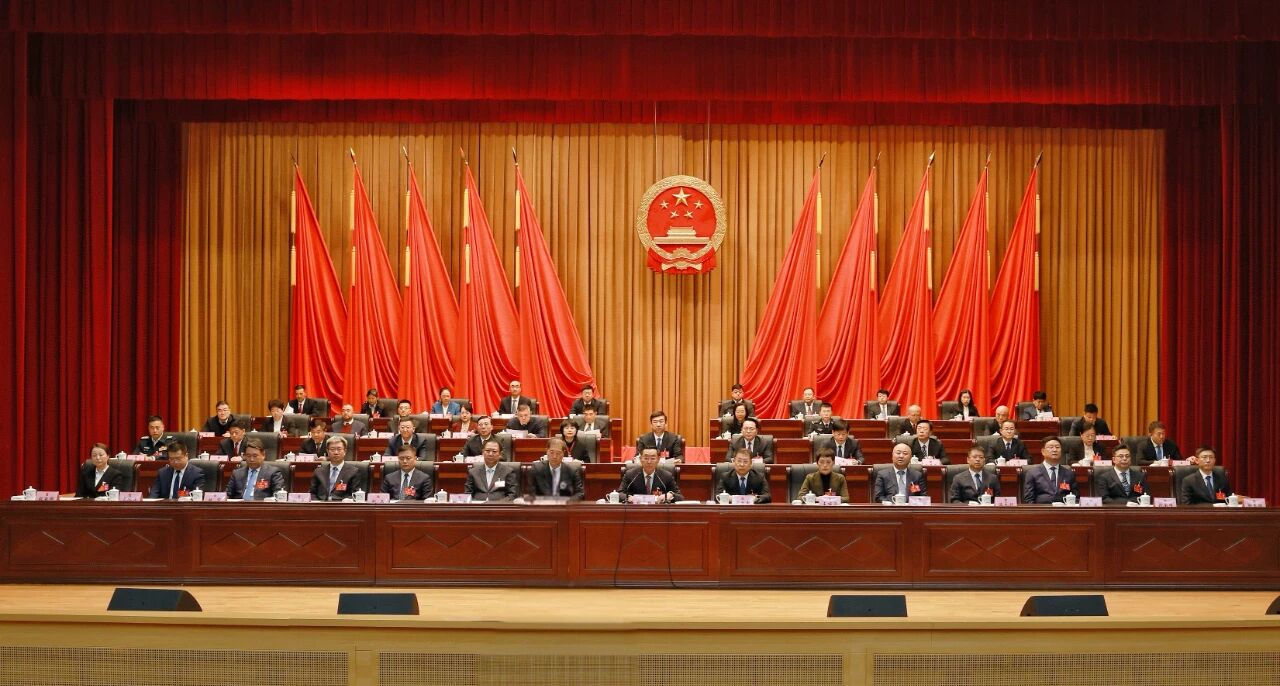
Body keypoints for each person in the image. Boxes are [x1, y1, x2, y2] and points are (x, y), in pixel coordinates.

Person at [1021, 436, 1078, 504]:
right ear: (1043, 451)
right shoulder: (1032, 473)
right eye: (1051, 447)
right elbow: (1028, 500)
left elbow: (1076, 498)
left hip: (1063, 509)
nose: (1055, 450)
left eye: (1057, 447)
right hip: (1041, 509)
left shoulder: (1069, 473)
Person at [309, 435, 365, 501]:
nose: (336, 452)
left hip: (342, 505)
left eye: (339, 449)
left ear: (345, 451)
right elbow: (311, 493)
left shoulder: (353, 472)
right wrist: (317, 503)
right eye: (332, 449)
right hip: (321, 505)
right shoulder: (318, 472)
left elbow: (355, 494)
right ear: (327, 451)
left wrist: (347, 500)